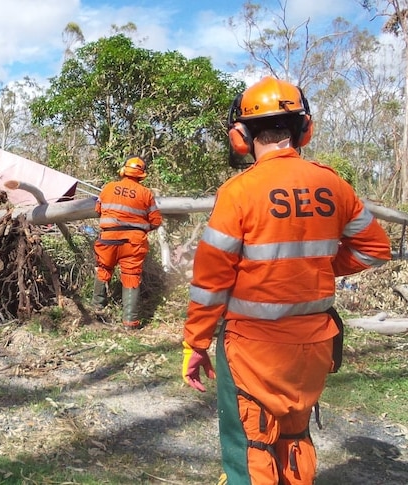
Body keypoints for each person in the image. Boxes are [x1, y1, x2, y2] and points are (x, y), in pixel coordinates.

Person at [181, 77, 392, 484]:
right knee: (295, 436)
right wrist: (317, 268)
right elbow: (373, 249)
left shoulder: (239, 191)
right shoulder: (333, 184)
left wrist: (196, 341)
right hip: (314, 344)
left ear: (241, 136)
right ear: (303, 130)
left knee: (252, 446)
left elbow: (210, 282)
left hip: (252, 348)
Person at [92, 156, 162, 329]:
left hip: (109, 239)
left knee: (103, 270)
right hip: (134, 242)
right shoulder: (146, 193)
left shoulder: (109, 187)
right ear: (142, 175)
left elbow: (98, 209)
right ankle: (130, 323)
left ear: (123, 171)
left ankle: (97, 311)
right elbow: (156, 221)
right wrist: (140, 227)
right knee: (131, 276)